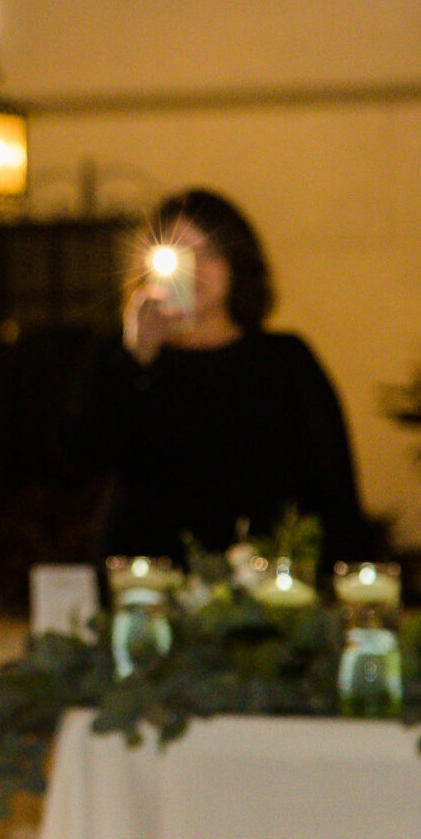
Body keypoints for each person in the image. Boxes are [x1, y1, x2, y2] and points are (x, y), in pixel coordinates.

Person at [67, 188, 373, 565]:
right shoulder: (120, 357)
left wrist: (341, 572)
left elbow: (333, 483)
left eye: (208, 253)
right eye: (179, 254)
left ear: (235, 263)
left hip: (260, 578)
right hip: (146, 576)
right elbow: (80, 458)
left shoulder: (283, 360)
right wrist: (137, 358)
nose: (194, 268)